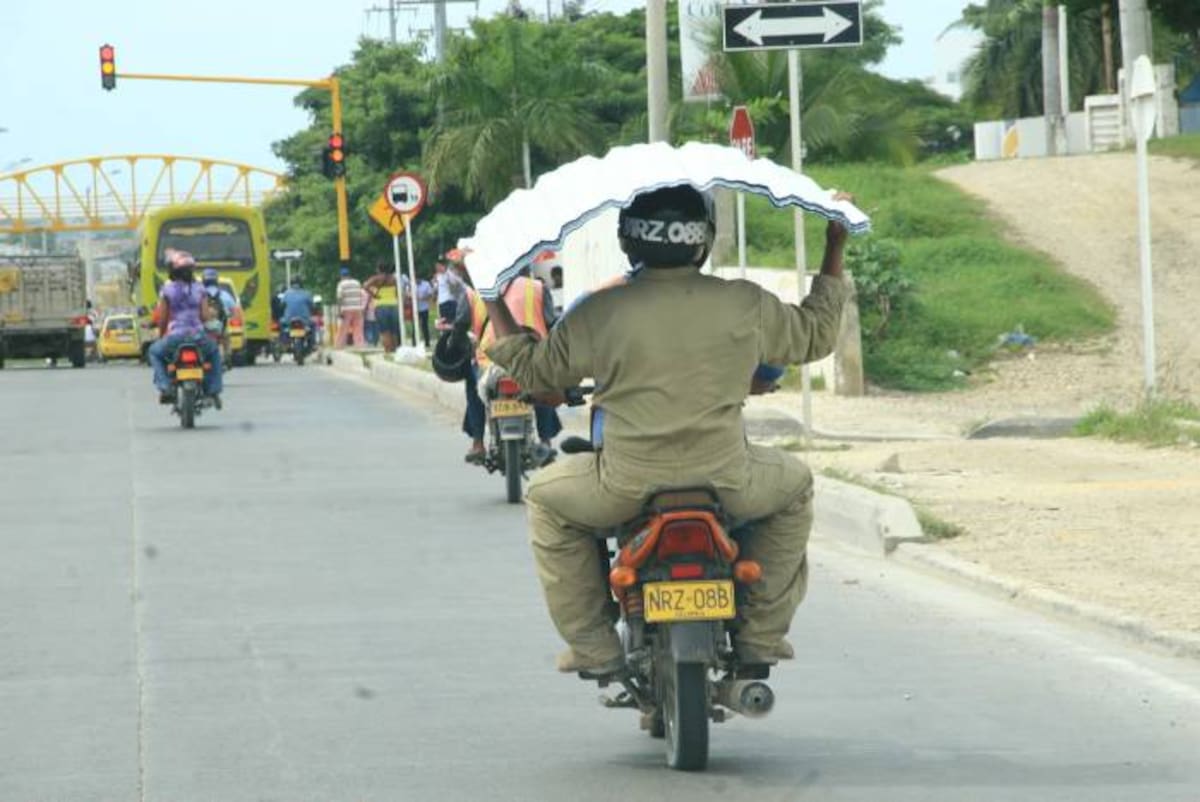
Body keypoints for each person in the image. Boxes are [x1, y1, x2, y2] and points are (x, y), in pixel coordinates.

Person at [481, 184, 853, 676]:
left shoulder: (600, 309)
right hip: (729, 480)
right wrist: (834, 244)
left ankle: (594, 648)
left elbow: (538, 374)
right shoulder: (743, 301)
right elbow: (816, 335)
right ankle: (760, 637)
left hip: (623, 488)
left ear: (629, 242)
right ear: (702, 240)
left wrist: (491, 295)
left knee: (547, 498)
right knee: (795, 487)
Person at [460, 268, 562, 463]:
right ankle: (546, 440)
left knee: (472, 385)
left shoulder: (474, 291)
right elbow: (552, 323)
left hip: (489, 360)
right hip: (530, 357)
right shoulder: (537, 288)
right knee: (544, 384)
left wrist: (454, 342)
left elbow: (460, 324)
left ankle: (478, 442)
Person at [148, 249, 223, 404]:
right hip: (198, 338)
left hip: (175, 338)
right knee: (214, 352)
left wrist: (161, 336)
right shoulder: (200, 289)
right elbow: (205, 317)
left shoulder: (167, 290)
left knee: (154, 352)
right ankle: (212, 391)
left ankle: (165, 386)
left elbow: (163, 319)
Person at [201, 268, 237, 366]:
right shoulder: (225, 295)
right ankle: (227, 357)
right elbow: (234, 312)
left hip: (202, 330)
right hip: (220, 330)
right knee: (226, 338)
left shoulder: (199, 294)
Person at [364, 262, 401, 353]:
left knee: (384, 331)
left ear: (379, 269)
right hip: (394, 305)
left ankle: (388, 351)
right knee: (394, 331)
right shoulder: (393, 279)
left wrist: (374, 295)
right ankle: (394, 350)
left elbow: (365, 286)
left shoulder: (376, 279)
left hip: (381, 305)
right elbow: (398, 291)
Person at [279, 276, 316, 350]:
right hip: (304, 319)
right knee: (313, 325)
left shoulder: (286, 294)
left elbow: (282, 305)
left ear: (291, 284)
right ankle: (312, 344)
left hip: (288, 319)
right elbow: (312, 306)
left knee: (281, 325)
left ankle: (284, 343)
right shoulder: (306, 294)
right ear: (301, 284)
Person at [335, 266, 367, 348]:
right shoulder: (357, 282)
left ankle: (339, 345)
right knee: (358, 328)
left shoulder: (341, 284)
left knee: (343, 328)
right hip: (357, 308)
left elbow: (339, 298)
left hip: (346, 309)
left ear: (342, 276)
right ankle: (359, 345)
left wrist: (339, 311)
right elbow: (360, 295)